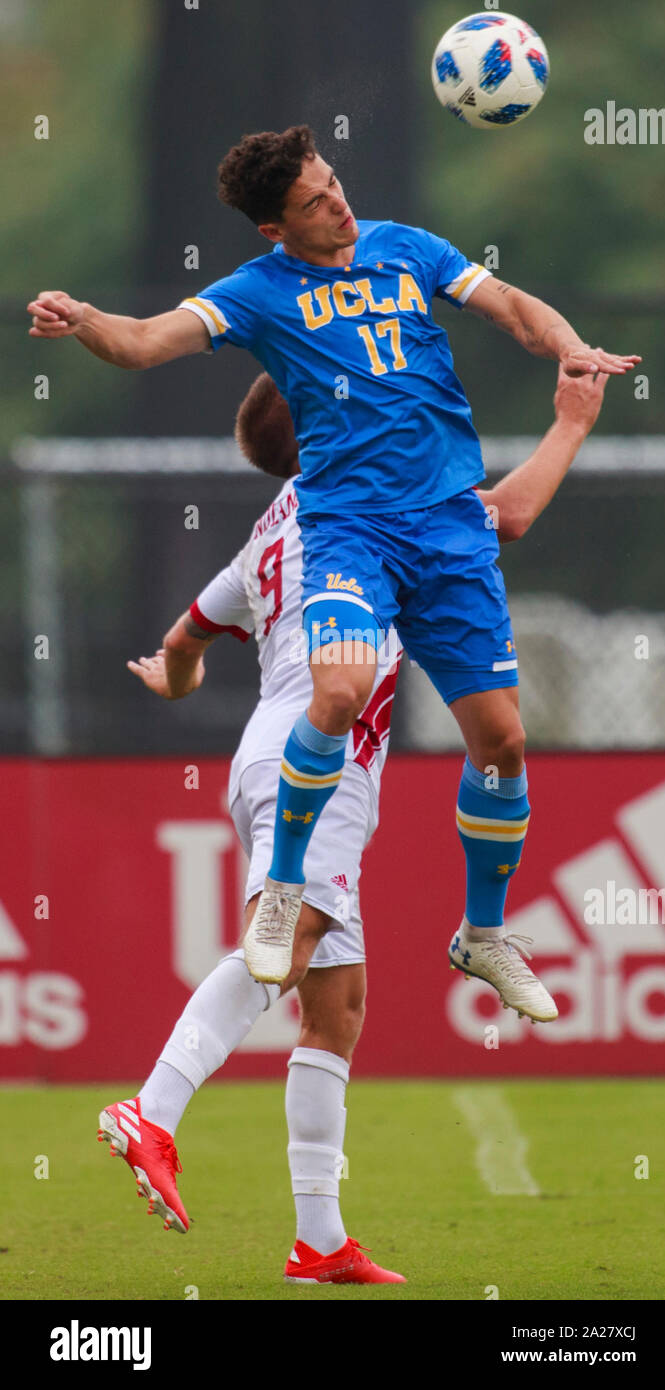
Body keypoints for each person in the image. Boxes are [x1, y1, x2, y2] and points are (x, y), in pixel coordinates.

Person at [27, 123, 639, 1020]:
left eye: (335, 182)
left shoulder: (406, 249)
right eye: (314, 202)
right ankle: (281, 888)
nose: (339, 204)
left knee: (503, 743)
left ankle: (482, 934)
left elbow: (510, 305)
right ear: (275, 229)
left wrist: (570, 345)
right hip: (352, 528)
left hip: (449, 528)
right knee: (341, 691)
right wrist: (82, 319)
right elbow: (147, 340)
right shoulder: (257, 293)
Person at [97, 365, 608, 1285]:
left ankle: (320, 1241)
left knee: (337, 1013)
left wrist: (176, 681)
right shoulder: (381, 499)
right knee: (286, 953)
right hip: (317, 767)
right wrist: (571, 424)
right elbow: (506, 516)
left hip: (275, 755)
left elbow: (183, 643)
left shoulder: (270, 530)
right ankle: (151, 1111)